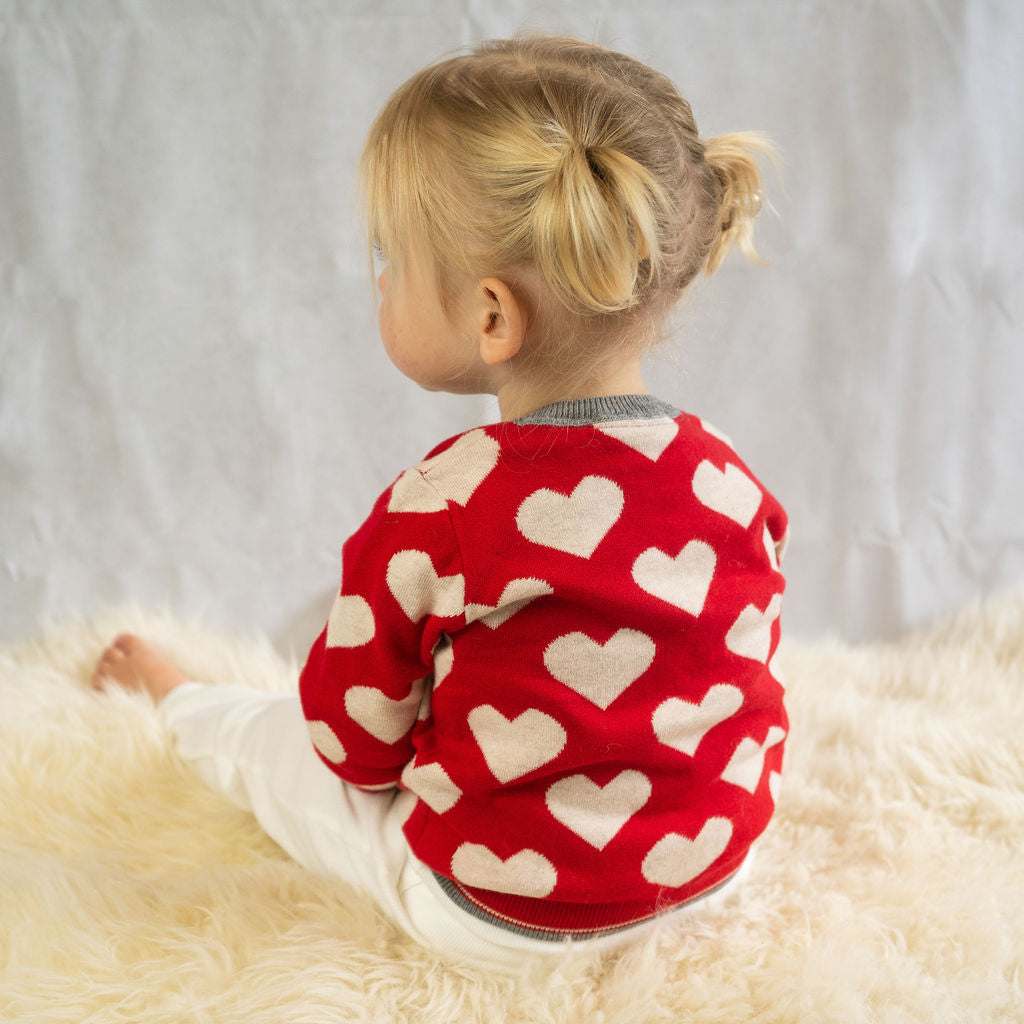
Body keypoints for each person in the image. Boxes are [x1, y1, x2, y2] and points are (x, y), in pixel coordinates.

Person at [93, 33, 789, 971]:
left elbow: (352, 747)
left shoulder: (444, 504)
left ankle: (177, 701)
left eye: (390, 258)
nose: (377, 279)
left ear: (492, 316)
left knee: (278, 748)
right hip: (710, 871)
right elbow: (731, 671)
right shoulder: (730, 477)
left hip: (496, 913)